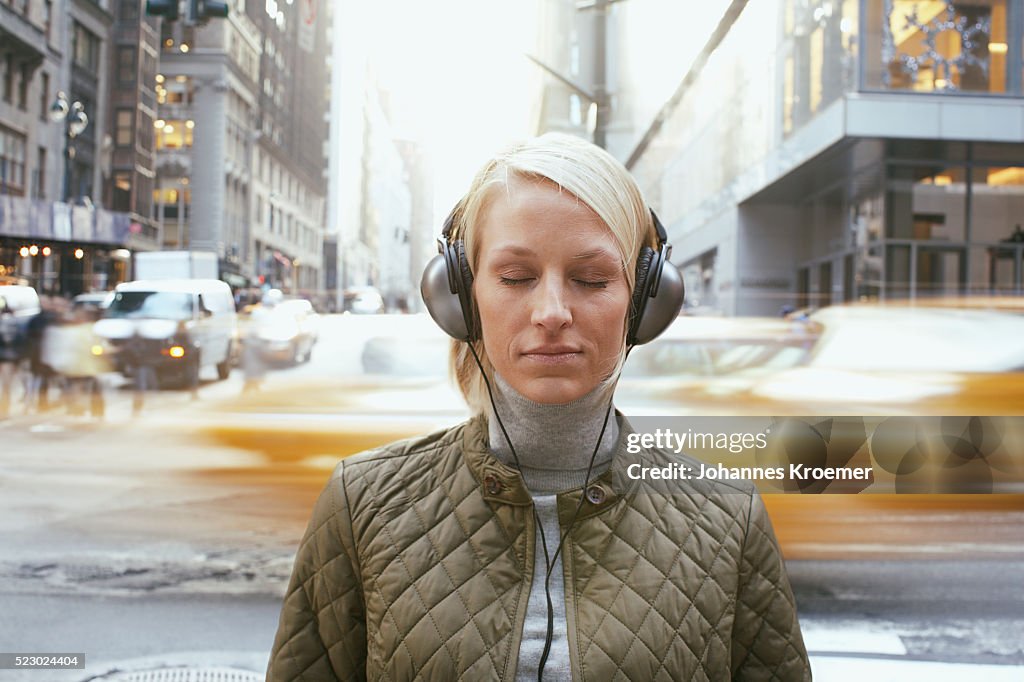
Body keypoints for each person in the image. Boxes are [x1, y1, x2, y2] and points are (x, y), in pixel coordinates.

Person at [267, 134, 810, 681]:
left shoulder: (729, 518)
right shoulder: (363, 506)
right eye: (515, 278)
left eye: (591, 279)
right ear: (461, 297)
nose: (551, 312)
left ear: (644, 301)